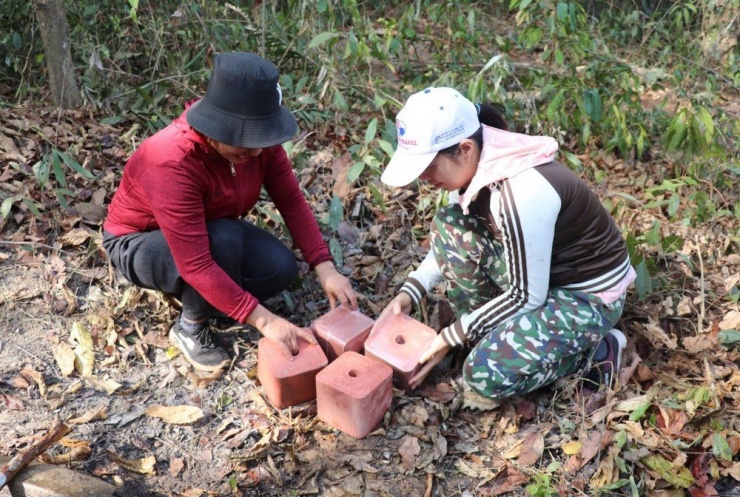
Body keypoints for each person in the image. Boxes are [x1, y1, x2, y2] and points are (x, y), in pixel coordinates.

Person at [103, 52, 357, 372]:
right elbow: (196, 264)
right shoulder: (171, 160)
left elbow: (291, 201)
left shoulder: (260, 144)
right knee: (223, 239)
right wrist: (266, 321)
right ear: (215, 127)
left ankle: (220, 300)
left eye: (259, 141)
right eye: (244, 142)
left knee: (279, 268)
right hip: (139, 243)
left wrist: (325, 267)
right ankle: (191, 326)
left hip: (210, 227)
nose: (254, 152)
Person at [380, 87, 635, 398]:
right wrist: (412, 288)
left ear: (464, 149)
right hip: (541, 277)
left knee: (483, 375)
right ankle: (489, 337)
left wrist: (452, 335)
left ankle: (597, 350)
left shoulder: (520, 191)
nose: (423, 178)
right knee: (450, 223)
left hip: (586, 297)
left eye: (428, 167)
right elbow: (451, 239)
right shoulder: (475, 169)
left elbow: (526, 295)